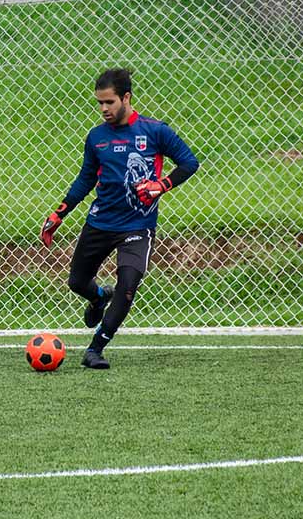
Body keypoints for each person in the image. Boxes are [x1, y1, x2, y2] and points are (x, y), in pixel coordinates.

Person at [40, 68, 199, 368]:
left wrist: (161, 186)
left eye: (109, 102)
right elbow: (85, 180)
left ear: (126, 98)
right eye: (99, 103)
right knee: (77, 282)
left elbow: (190, 162)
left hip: (138, 225)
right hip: (101, 221)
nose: (103, 109)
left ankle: (95, 349)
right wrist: (59, 213)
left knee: (128, 285)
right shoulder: (96, 137)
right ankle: (99, 297)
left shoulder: (156, 131)